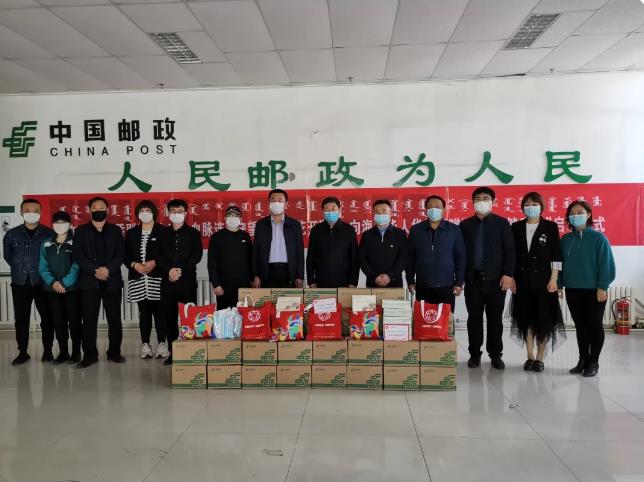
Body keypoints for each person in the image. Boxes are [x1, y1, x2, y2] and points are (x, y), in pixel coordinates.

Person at [460, 187, 515, 370]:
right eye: (478, 198)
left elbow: (510, 251)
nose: (481, 201)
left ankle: (495, 355)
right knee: (474, 318)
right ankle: (474, 354)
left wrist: (508, 274)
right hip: (473, 280)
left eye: (485, 198)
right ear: (473, 202)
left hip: (496, 281)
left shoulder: (502, 223)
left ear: (492, 201)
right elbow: (460, 254)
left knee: (495, 320)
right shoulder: (465, 225)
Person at [510, 192, 565, 373]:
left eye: (534, 204)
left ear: (541, 206)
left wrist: (554, 279)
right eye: (527, 204)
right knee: (525, 320)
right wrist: (512, 278)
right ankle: (529, 356)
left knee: (544, 321)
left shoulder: (550, 227)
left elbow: (556, 256)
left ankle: (540, 357)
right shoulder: (516, 227)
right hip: (522, 282)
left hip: (544, 282)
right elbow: (512, 256)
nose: (531, 207)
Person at [560, 199, 615, 378]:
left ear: (589, 215)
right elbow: (558, 263)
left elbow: (606, 264)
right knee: (581, 326)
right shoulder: (566, 239)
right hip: (572, 289)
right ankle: (582, 359)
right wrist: (559, 284)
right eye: (572, 213)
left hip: (594, 291)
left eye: (580, 212)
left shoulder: (598, 238)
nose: (575, 216)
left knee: (594, 325)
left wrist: (602, 286)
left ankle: (593, 361)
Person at [72, 197, 126, 368]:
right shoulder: (80, 231)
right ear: (90, 210)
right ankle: (90, 355)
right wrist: (95, 270)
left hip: (112, 281)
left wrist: (108, 270)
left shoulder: (115, 230)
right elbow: (78, 255)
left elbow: (120, 254)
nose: (98, 210)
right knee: (89, 321)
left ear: (107, 210)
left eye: (101, 207)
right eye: (94, 208)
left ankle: (114, 352)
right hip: (89, 283)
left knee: (115, 320)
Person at [3, 198, 55, 365]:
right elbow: (9, 256)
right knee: (21, 319)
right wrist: (22, 269)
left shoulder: (49, 234)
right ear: (21, 212)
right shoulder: (11, 234)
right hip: (20, 283)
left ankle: (48, 351)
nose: (31, 213)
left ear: (40, 212)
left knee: (47, 319)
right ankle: (23, 352)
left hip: (43, 283)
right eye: (27, 210)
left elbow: (52, 258)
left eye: (35, 210)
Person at [158, 199, 202, 365]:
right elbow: (157, 256)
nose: (176, 214)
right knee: (169, 319)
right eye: (173, 211)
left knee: (189, 318)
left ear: (186, 213)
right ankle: (173, 353)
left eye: (180, 211)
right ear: (168, 213)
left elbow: (197, 255)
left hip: (187, 282)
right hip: (167, 281)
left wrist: (179, 270)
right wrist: (169, 271)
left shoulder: (193, 233)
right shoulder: (162, 233)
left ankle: (189, 352)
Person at [125, 200, 168, 360]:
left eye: (148, 210)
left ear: (154, 213)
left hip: (157, 277)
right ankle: (145, 345)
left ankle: (162, 344)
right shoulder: (131, 233)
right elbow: (125, 254)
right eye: (141, 210)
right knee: (144, 313)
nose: (145, 213)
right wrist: (134, 265)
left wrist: (155, 262)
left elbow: (168, 252)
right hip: (138, 277)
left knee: (160, 312)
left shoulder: (163, 231)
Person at [407, 195, 465, 312]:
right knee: (424, 318)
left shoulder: (454, 230)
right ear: (425, 210)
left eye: (438, 207)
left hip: (447, 285)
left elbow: (460, 257)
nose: (433, 209)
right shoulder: (416, 230)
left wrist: (459, 282)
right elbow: (410, 257)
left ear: (444, 209)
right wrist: (410, 280)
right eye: (430, 207)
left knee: (445, 319)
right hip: (422, 285)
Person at [39, 211, 81, 365]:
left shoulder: (75, 242)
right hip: (52, 290)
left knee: (74, 322)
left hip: (72, 290)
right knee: (58, 322)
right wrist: (53, 283)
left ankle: (76, 352)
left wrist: (64, 283)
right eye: (57, 222)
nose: (60, 225)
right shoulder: (46, 243)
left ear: (70, 224)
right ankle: (63, 352)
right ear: (52, 224)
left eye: (64, 222)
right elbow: (42, 266)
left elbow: (77, 265)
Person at [252, 189, 304, 288]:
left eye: (280, 200)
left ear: (286, 204)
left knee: (289, 298)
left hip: (288, 271)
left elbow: (299, 252)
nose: (276, 203)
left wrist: (300, 276)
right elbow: (255, 252)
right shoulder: (261, 224)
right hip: (267, 272)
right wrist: (255, 275)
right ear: (269, 203)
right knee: (267, 298)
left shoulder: (294, 225)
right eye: (273, 200)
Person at [307, 196, 359, 288]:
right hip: (321, 281)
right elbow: (310, 258)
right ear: (323, 211)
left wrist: (353, 282)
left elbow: (354, 259)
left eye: (333, 209)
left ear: (339, 210)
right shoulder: (316, 230)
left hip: (344, 282)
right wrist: (311, 281)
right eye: (326, 209)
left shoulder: (349, 230)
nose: (330, 212)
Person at [208, 205, 253, 309]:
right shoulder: (216, 237)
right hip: (224, 285)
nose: (233, 217)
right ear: (225, 218)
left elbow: (251, 259)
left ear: (240, 219)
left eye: (236, 215)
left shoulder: (245, 236)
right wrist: (215, 284)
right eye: (230, 215)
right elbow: (211, 262)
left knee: (243, 314)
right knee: (225, 315)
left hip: (244, 284)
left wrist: (253, 279)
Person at [359, 199, 408, 288]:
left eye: (384, 211)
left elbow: (403, 258)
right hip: (373, 283)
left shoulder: (400, 234)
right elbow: (362, 259)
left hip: (394, 284)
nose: (380, 215)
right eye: (377, 212)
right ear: (373, 214)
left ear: (391, 214)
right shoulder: (367, 235)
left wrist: (389, 276)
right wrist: (374, 277)